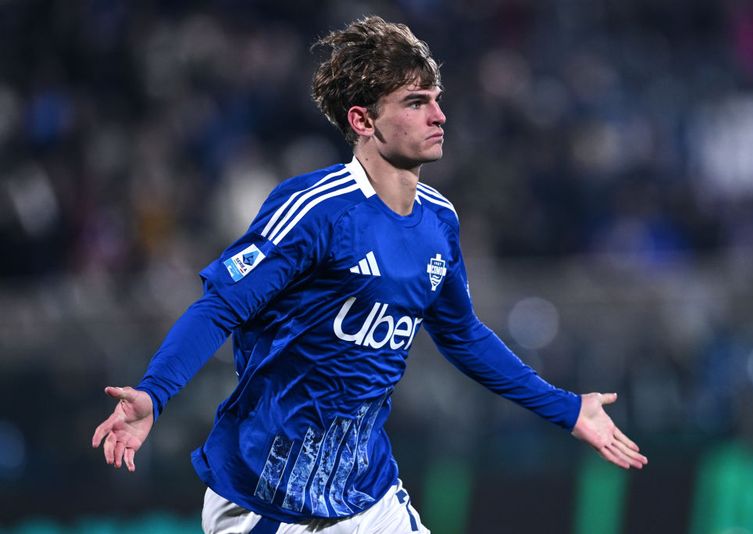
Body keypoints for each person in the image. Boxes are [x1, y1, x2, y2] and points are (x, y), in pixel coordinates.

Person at [92, 15, 647, 534]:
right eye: (414, 102)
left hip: (366, 493)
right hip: (268, 499)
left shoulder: (439, 221)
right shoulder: (317, 210)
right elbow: (221, 306)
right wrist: (153, 395)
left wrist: (567, 407)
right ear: (363, 120)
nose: (438, 115)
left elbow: (463, 335)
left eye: (436, 99)